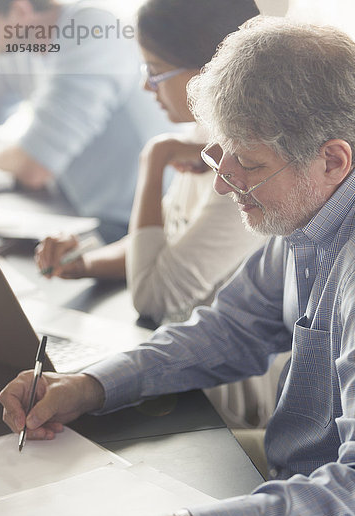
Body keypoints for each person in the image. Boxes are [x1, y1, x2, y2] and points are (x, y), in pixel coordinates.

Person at [0, 16, 355, 516]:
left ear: (333, 159)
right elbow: (229, 329)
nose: (224, 184)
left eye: (246, 163)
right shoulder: (319, 209)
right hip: (302, 476)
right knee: (98, 495)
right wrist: (88, 385)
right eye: (219, 153)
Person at [35, 0, 263, 326]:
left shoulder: (244, 172)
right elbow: (163, 242)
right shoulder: (204, 132)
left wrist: (154, 158)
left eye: (155, 71)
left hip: (214, 371)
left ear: (211, 70)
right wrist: (82, 263)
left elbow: (152, 297)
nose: (147, 86)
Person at [0, 0, 171, 242]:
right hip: (77, 209)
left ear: (20, 9)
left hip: (134, 222)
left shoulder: (94, 32)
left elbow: (34, 166)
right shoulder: (15, 46)